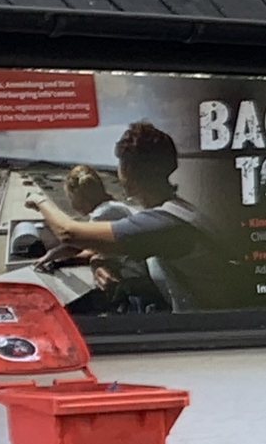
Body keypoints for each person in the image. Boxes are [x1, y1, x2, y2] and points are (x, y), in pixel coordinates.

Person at [26, 122, 241, 311]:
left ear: (127, 170)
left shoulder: (164, 224)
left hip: (201, 333)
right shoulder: (174, 212)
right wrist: (98, 263)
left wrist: (39, 201)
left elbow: (68, 232)